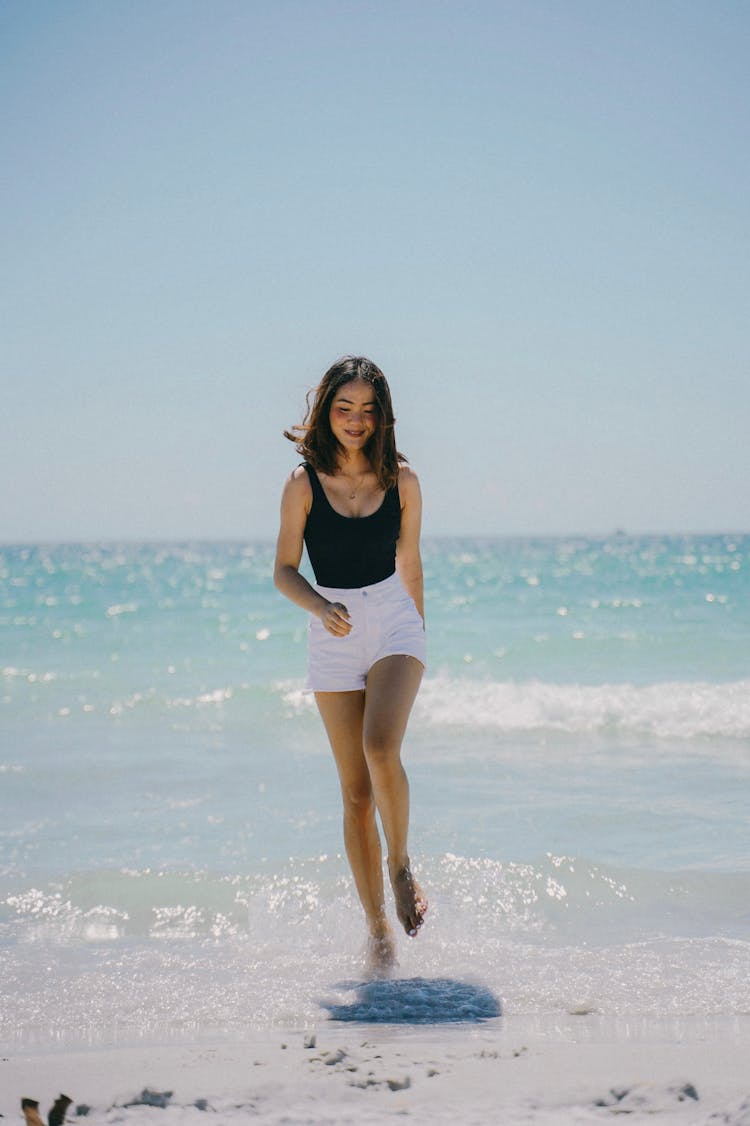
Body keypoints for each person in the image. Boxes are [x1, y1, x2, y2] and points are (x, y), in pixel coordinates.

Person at [274, 356, 427, 970]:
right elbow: (284, 570)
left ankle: (400, 863)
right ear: (326, 412)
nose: (356, 420)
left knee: (382, 747)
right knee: (356, 796)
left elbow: (410, 564)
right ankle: (377, 934)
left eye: (368, 410)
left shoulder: (404, 481)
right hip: (331, 631)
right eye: (345, 408)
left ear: (382, 416)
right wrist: (318, 604)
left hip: (393, 619)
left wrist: (419, 632)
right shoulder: (303, 484)